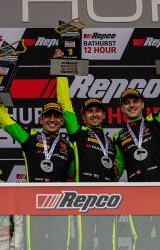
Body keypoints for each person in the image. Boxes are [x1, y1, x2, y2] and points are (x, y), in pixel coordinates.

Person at [113, 49, 160, 250]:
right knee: (140, 240)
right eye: (127, 103)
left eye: (135, 101)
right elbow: (120, 165)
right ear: (121, 108)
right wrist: (111, 177)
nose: (132, 106)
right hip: (135, 193)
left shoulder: (155, 123)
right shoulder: (118, 136)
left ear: (142, 104)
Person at [0, 74, 75, 249]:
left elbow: (75, 174)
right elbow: (5, 121)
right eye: (47, 115)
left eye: (56, 116)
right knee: (35, 246)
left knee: (60, 246)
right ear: (40, 119)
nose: (52, 119)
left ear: (62, 120)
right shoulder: (29, 138)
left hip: (60, 205)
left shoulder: (69, 147)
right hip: (34, 203)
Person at [56, 74, 121, 250]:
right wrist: (61, 70)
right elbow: (64, 103)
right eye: (90, 111)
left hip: (106, 199)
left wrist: (116, 173)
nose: (94, 115)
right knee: (83, 244)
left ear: (104, 115)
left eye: (98, 111)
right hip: (83, 198)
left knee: (109, 243)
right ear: (83, 116)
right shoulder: (78, 133)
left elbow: (117, 170)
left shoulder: (111, 142)